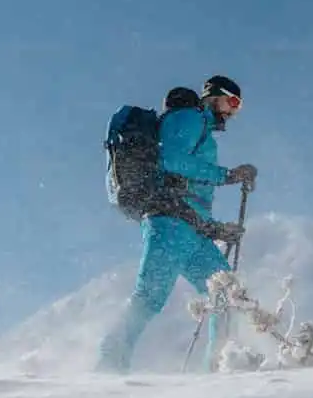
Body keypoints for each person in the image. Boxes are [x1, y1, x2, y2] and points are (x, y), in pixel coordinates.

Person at [96, 76, 258, 373]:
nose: (233, 112)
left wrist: (215, 230)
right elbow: (170, 159)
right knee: (150, 296)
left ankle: (221, 369)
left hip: (189, 228)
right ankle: (108, 364)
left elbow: (190, 194)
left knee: (225, 294)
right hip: (169, 223)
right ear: (213, 97)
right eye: (233, 102)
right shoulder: (189, 117)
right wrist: (227, 175)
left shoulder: (202, 130)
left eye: (239, 107)